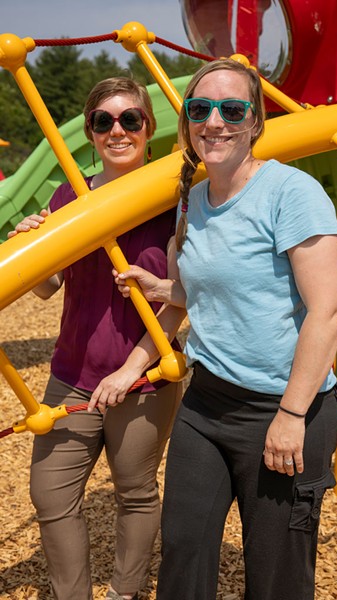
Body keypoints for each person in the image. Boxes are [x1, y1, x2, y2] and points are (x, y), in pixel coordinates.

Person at [115, 58, 337, 600]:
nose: (214, 121)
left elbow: (328, 310)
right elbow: (205, 291)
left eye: (232, 109)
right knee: (184, 551)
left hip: (286, 405)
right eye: (200, 109)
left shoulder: (291, 193)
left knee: (276, 574)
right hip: (207, 403)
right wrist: (161, 288)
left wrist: (291, 415)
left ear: (255, 121)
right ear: (188, 122)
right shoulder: (192, 201)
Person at [8, 77, 186, 600]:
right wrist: (32, 243)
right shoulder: (70, 193)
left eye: (130, 119)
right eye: (103, 120)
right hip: (73, 375)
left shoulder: (174, 197)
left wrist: (132, 368)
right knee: (51, 493)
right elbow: (46, 288)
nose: (117, 130)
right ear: (89, 131)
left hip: (145, 376)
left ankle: (124, 592)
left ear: (149, 128)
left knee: (134, 491)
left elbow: (182, 298)